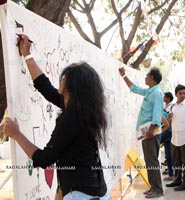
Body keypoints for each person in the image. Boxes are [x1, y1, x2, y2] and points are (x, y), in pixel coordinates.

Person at [4, 35, 108, 199]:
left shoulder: (71, 118)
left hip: (81, 195)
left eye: (65, 77)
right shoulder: (83, 110)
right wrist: (27, 55)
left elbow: (44, 159)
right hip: (96, 189)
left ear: (71, 87)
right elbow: (46, 88)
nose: (62, 78)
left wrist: (16, 133)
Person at [119, 67, 164, 198]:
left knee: (152, 161)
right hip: (147, 133)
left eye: (147, 76)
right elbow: (135, 89)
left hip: (151, 133)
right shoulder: (150, 91)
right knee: (149, 162)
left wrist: (150, 131)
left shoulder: (156, 93)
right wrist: (124, 76)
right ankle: (153, 187)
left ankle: (158, 190)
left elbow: (157, 114)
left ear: (153, 79)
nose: (145, 78)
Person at [166, 85, 185, 191]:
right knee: (176, 162)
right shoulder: (172, 107)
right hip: (174, 139)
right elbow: (170, 123)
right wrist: (169, 118)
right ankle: (177, 180)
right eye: (180, 93)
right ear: (175, 94)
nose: (182, 95)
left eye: (184, 93)